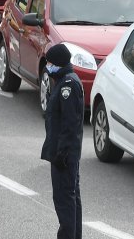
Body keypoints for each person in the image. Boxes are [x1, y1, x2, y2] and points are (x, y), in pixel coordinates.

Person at [41, 43, 84, 239]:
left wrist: (62, 153)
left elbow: (70, 124)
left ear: (58, 63)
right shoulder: (63, 81)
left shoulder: (68, 85)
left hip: (64, 156)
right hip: (64, 153)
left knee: (64, 200)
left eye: (50, 63)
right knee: (71, 198)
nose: (47, 66)